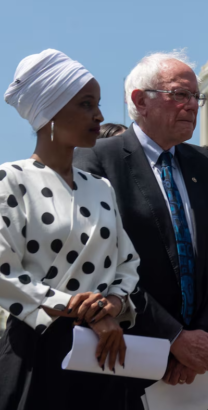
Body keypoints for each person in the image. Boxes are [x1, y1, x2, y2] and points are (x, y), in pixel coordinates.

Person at [73, 50, 208, 409]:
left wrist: (204, 339)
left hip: (199, 371)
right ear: (140, 101)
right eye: (180, 95)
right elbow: (102, 264)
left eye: (197, 97)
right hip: (127, 360)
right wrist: (173, 338)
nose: (193, 105)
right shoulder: (97, 161)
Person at [0, 49, 140, 410]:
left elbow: (127, 261)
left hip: (102, 350)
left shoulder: (100, 186)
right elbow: (4, 272)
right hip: (36, 347)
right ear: (49, 112)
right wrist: (83, 311)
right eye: (85, 104)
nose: (100, 115)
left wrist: (113, 303)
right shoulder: (9, 180)